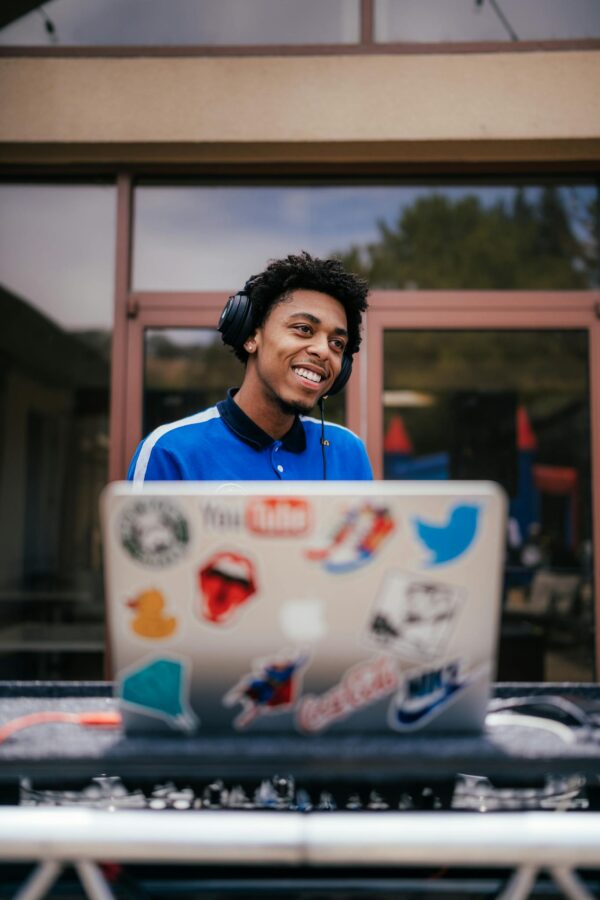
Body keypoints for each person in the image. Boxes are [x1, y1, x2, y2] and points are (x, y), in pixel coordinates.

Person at [128, 252, 372, 482]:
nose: (323, 350)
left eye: (337, 343)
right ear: (251, 336)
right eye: (304, 329)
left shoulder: (349, 452)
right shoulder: (171, 451)